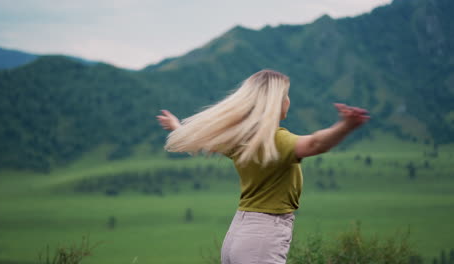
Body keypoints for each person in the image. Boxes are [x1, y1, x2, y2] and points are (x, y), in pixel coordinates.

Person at [156, 69, 369, 264]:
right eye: (286, 95)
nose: (288, 100)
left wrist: (176, 126)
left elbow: (203, 142)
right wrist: (345, 126)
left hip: (238, 235)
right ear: (276, 102)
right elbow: (315, 143)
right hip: (263, 236)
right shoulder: (276, 141)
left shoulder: (241, 139)